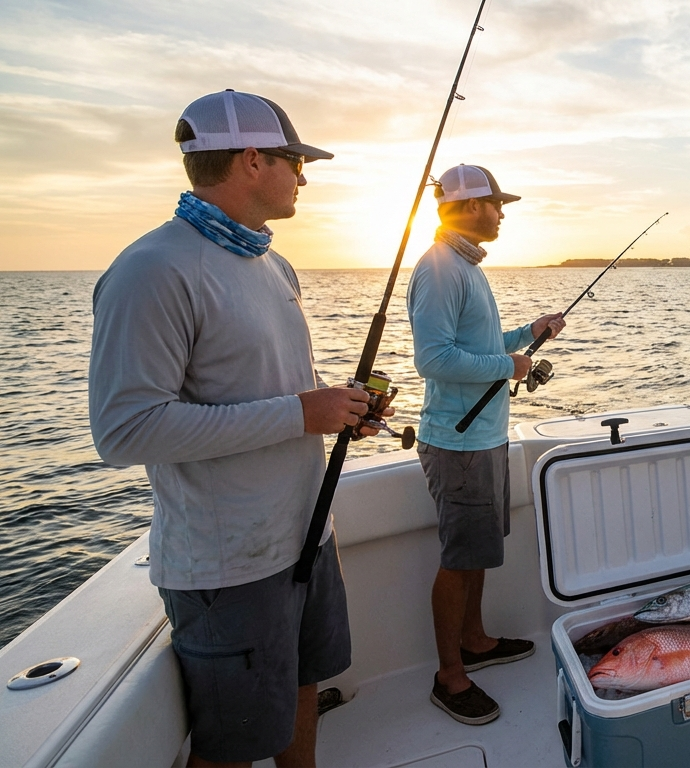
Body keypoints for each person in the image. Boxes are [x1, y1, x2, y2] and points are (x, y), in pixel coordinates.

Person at [89, 90, 376, 767]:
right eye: (294, 160)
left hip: (305, 535)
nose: (303, 176)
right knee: (235, 742)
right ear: (252, 159)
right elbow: (124, 430)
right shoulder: (150, 269)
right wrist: (302, 413)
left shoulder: (274, 265)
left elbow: (271, 393)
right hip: (230, 567)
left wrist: (340, 410)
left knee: (304, 686)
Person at [407, 164, 565, 726]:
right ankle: (449, 675)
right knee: (459, 559)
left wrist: (528, 334)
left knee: (477, 551)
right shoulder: (441, 269)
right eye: (498, 204)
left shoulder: (466, 266)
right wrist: (511, 363)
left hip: (486, 436)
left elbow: (477, 343)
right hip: (459, 442)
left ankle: (474, 639)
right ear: (472, 205)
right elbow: (434, 359)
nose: (502, 214)